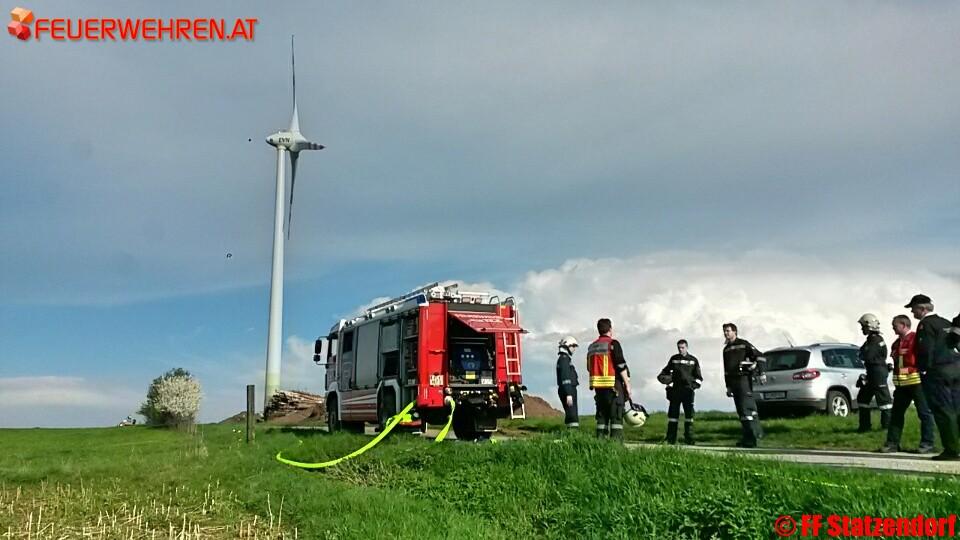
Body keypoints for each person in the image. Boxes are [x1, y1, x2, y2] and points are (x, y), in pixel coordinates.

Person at [907, 294, 957, 461]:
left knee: (943, 411)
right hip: (955, 369)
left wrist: (923, 370)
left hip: (937, 372)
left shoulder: (925, 325)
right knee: (957, 410)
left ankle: (951, 449)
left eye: (913, 309)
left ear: (922, 308)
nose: (912, 312)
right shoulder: (945, 323)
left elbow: (925, 349)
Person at [880, 315, 934, 452]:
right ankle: (892, 443)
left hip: (916, 382)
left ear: (904, 325)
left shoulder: (915, 339)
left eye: (895, 326)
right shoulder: (896, 343)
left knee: (924, 413)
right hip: (901, 385)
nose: (893, 329)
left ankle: (927, 443)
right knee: (896, 414)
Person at [587, 318, 632, 440]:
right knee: (616, 415)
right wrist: (627, 385)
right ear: (610, 329)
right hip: (613, 385)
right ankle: (616, 445)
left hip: (598, 387)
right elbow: (620, 365)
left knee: (602, 416)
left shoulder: (591, 347)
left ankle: (599, 443)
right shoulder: (613, 344)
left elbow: (588, 367)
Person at [722, 323, 765, 448]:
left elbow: (760, 357)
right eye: (724, 331)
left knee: (747, 409)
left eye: (728, 331)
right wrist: (728, 386)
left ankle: (752, 438)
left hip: (743, 380)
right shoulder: (726, 349)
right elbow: (726, 370)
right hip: (733, 383)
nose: (726, 333)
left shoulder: (743, 344)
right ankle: (750, 436)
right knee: (741, 411)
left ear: (735, 331)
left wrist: (760, 371)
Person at [657, 339, 703, 444]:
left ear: (687, 347)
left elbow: (699, 377)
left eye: (682, 347)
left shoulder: (693, 360)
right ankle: (671, 438)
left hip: (688, 391)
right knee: (673, 415)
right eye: (679, 348)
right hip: (676, 390)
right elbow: (664, 373)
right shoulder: (674, 359)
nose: (680, 350)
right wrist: (665, 380)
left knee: (689, 416)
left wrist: (693, 386)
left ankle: (689, 438)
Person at [854, 313, 893, 433]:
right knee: (863, 398)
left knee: (884, 401)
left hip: (877, 372)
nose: (862, 329)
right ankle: (864, 427)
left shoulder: (876, 340)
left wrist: (864, 354)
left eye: (863, 326)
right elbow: (861, 353)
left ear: (869, 326)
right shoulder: (871, 340)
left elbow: (866, 355)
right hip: (872, 372)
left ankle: (887, 427)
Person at [556, 336, 580, 429]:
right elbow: (565, 377)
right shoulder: (564, 359)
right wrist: (568, 394)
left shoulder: (564, 359)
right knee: (572, 414)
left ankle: (571, 434)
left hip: (567, 389)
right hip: (568, 390)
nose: (574, 349)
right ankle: (573, 435)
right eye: (573, 346)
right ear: (567, 346)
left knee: (571, 413)